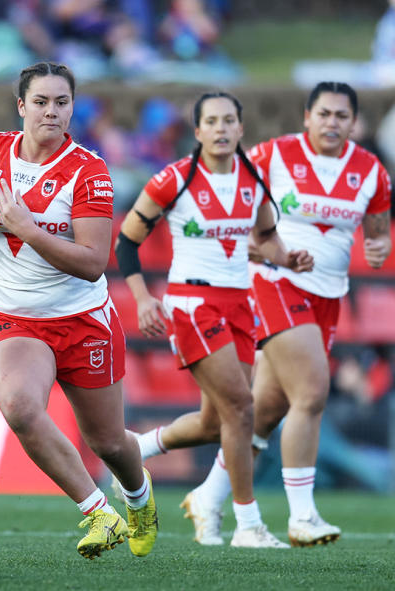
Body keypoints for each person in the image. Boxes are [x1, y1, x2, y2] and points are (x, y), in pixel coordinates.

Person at [0, 62, 158, 560]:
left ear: (72, 107)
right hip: (14, 318)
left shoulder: (88, 170)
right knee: (21, 407)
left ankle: (138, 498)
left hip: (85, 321)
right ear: (21, 106)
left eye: (61, 103)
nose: (51, 111)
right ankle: (98, 513)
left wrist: (27, 228)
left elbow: (92, 264)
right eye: (40, 102)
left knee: (109, 441)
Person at [182, 82, 391, 547]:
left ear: (353, 123)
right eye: (324, 113)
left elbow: (378, 231)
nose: (332, 122)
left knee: (269, 410)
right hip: (275, 282)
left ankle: (209, 495)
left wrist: (379, 246)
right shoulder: (271, 156)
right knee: (313, 392)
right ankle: (303, 516)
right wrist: (258, 251)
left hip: (328, 295)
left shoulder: (371, 171)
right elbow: (226, 203)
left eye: (341, 115)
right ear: (306, 116)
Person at [114, 92, 313, 548]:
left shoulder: (254, 179)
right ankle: (248, 525)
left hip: (239, 304)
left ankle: (134, 450)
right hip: (192, 304)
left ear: (242, 129)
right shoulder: (174, 179)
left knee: (214, 422)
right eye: (212, 121)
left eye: (229, 121)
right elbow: (127, 241)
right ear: (198, 130)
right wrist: (144, 299)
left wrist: (289, 258)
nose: (221, 129)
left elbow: (266, 238)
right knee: (243, 408)